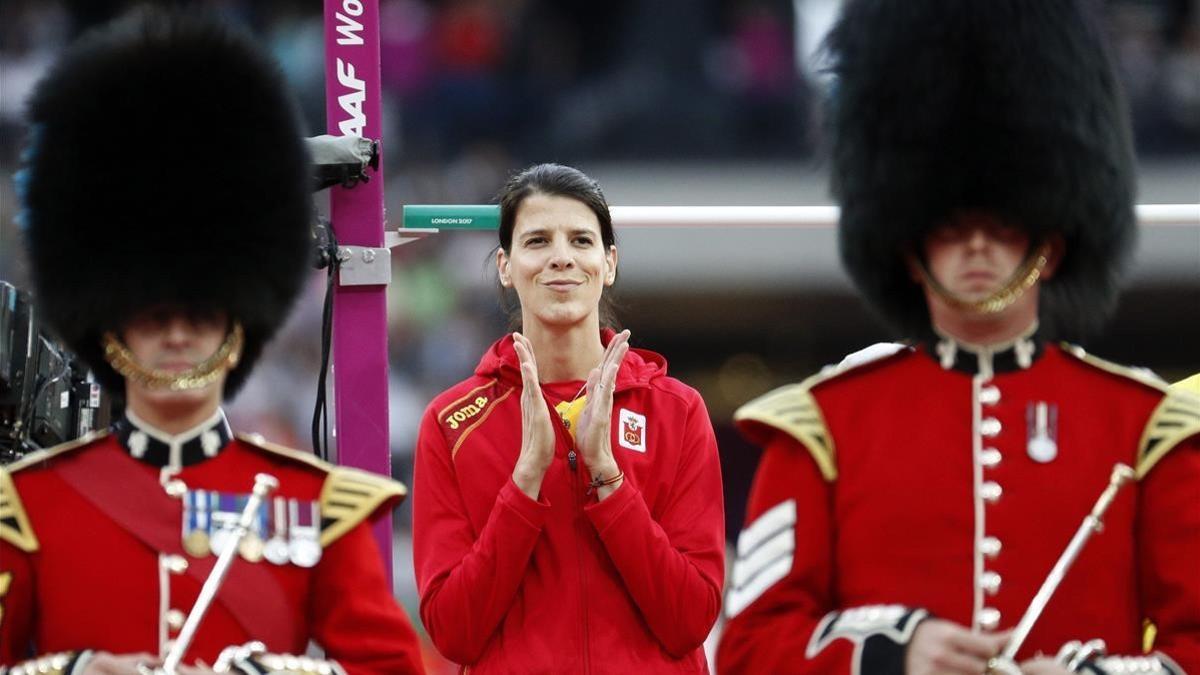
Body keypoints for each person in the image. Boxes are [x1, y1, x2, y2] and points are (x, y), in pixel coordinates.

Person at [716, 1, 1200, 674]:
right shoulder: (822, 429)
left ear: (1049, 247)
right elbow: (749, 649)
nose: (976, 244)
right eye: (949, 225)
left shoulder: (1148, 428)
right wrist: (891, 652)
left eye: (1004, 224)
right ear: (910, 248)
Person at [0, 10, 424, 674]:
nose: (175, 333)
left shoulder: (316, 506)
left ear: (235, 319)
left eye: (199, 311)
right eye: (152, 312)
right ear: (111, 321)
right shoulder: (26, 505)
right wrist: (73, 669)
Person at [411, 163, 725, 673]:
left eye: (580, 240)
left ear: (609, 262)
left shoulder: (678, 410)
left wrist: (607, 474)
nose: (561, 258)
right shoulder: (451, 422)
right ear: (505, 266)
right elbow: (454, 633)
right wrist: (525, 479)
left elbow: (690, 619)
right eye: (537, 241)